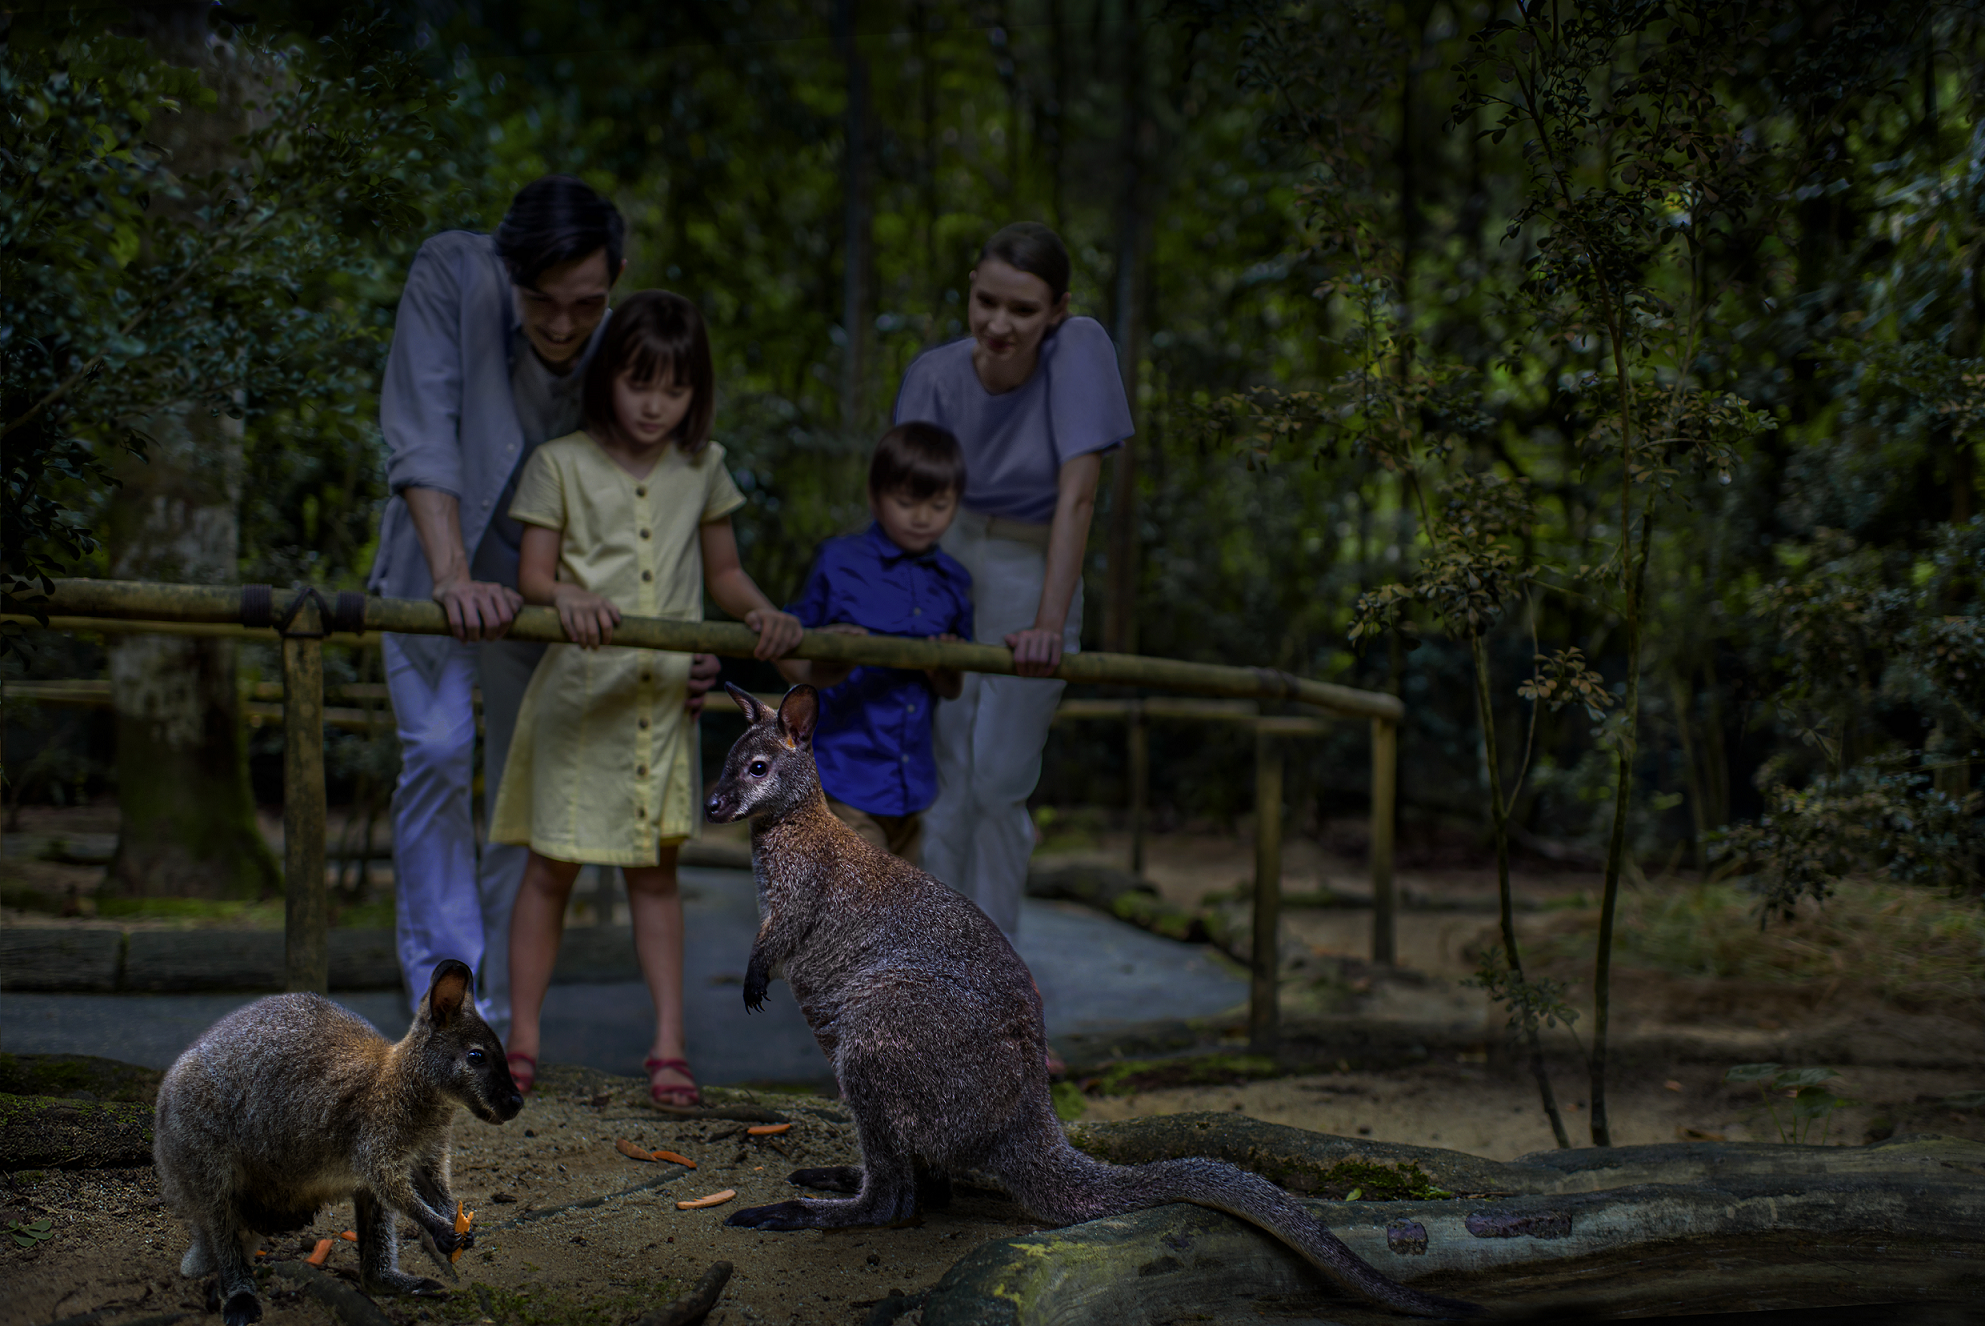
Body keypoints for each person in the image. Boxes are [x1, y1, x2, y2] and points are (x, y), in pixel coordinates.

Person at [369, 176, 720, 1039]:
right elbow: (422, 430)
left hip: (551, 596)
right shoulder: (455, 273)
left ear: (617, 276)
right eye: (541, 300)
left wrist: (669, 643)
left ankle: (493, 1016)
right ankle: (445, 1003)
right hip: (438, 564)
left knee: (524, 795)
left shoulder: (618, 335)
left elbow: (655, 494)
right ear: (508, 269)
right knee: (442, 750)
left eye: (585, 302)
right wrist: (453, 578)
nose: (562, 324)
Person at [490, 290, 803, 1105]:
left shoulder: (704, 468)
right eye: (639, 384)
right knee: (549, 869)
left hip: (662, 707)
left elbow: (725, 573)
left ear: (696, 391)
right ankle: (520, 1040)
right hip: (574, 697)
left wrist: (760, 612)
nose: (655, 403)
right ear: (607, 381)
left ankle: (668, 1045)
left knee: (657, 873)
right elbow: (531, 573)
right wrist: (564, 596)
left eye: (674, 387)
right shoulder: (558, 462)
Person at [892, 222, 1134, 934]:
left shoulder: (1080, 350)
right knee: (947, 779)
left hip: (1035, 563)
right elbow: (908, 509)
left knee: (1000, 780)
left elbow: (1078, 498)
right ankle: (937, 986)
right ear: (970, 288)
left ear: (1057, 309)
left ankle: (1001, 991)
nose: (1000, 324)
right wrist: (916, 610)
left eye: (1023, 310)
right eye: (987, 302)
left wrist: (1048, 625)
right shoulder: (932, 376)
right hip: (947, 554)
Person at [776, 423, 973, 863]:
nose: (922, 516)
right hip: (842, 777)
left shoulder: (956, 582)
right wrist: (827, 657)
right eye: (906, 502)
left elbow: (952, 688)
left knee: (897, 919)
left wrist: (942, 663)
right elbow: (784, 649)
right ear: (875, 496)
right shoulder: (838, 562)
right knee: (869, 912)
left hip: (912, 786)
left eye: (939, 505)